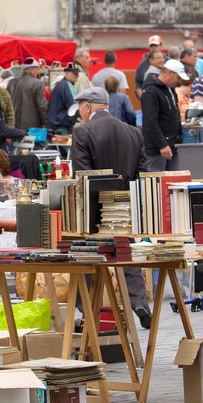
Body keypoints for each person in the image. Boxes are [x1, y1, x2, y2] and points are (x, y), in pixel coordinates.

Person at [69, 86, 151, 326]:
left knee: (87, 257)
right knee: (125, 256)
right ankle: (139, 304)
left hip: (95, 206)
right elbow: (143, 173)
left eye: (81, 109)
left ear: (87, 107)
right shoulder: (133, 131)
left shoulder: (82, 132)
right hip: (125, 204)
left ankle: (89, 308)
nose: (80, 114)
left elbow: (82, 175)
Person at [141, 59, 188, 171]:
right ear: (170, 73)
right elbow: (150, 121)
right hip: (157, 149)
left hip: (171, 145)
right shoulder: (151, 91)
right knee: (157, 183)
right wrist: (162, 145)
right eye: (178, 77)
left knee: (174, 181)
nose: (179, 81)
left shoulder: (170, 90)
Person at [7, 58, 48, 130]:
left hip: (14, 125)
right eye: (37, 69)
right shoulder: (37, 83)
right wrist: (46, 123)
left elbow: (7, 105)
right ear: (30, 69)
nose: (38, 72)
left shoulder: (11, 83)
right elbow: (42, 106)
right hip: (32, 126)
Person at [46, 63, 81, 135]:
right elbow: (74, 107)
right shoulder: (66, 85)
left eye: (77, 74)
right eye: (75, 74)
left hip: (55, 123)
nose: (77, 78)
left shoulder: (62, 84)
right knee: (66, 146)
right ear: (67, 73)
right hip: (61, 125)